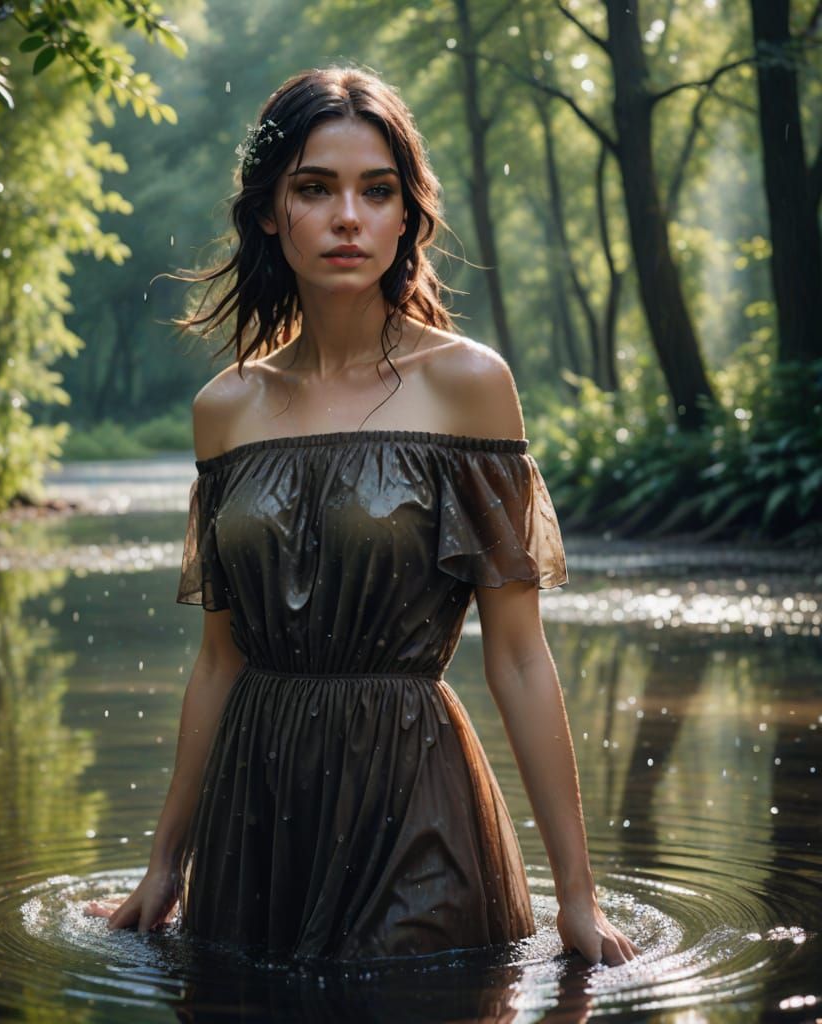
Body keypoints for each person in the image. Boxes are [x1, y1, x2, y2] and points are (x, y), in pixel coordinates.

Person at [86, 64, 638, 967]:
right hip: (255, 813)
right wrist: (162, 864)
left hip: (413, 797)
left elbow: (519, 655)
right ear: (270, 212)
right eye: (315, 188)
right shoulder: (224, 407)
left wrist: (577, 897)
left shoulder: (469, 386)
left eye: (377, 191)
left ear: (406, 216)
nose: (349, 217)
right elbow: (219, 660)